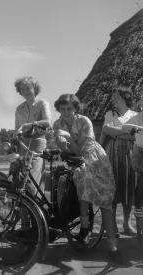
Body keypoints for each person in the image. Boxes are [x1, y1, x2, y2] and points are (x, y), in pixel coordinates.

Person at [53, 94, 126, 265]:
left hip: (95, 159)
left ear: (75, 108)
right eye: (62, 109)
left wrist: (69, 138)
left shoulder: (84, 121)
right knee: (79, 182)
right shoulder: (57, 124)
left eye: (69, 108)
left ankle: (113, 247)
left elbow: (81, 150)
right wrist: (60, 140)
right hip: (77, 162)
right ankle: (85, 227)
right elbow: (65, 150)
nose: (66, 112)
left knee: (105, 202)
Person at [100, 86, 137, 236]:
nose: (113, 99)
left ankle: (126, 223)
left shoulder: (136, 114)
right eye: (113, 96)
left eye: (117, 96)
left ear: (125, 98)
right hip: (113, 155)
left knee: (129, 188)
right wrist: (127, 131)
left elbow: (138, 135)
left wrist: (119, 131)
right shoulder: (110, 114)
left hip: (132, 155)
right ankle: (113, 225)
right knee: (113, 188)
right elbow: (107, 130)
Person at [14, 76, 51, 192]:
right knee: (21, 179)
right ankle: (23, 208)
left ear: (34, 88)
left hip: (37, 143)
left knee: (34, 178)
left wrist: (30, 125)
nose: (25, 91)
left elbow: (48, 122)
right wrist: (16, 135)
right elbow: (17, 128)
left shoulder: (42, 104)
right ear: (20, 92)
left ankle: (35, 207)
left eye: (28, 88)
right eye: (22, 89)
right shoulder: (19, 109)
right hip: (23, 145)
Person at [121, 112, 143, 244]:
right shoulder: (138, 117)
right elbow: (124, 127)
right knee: (140, 191)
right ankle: (140, 231)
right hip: (140, 154)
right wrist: (137, 127)